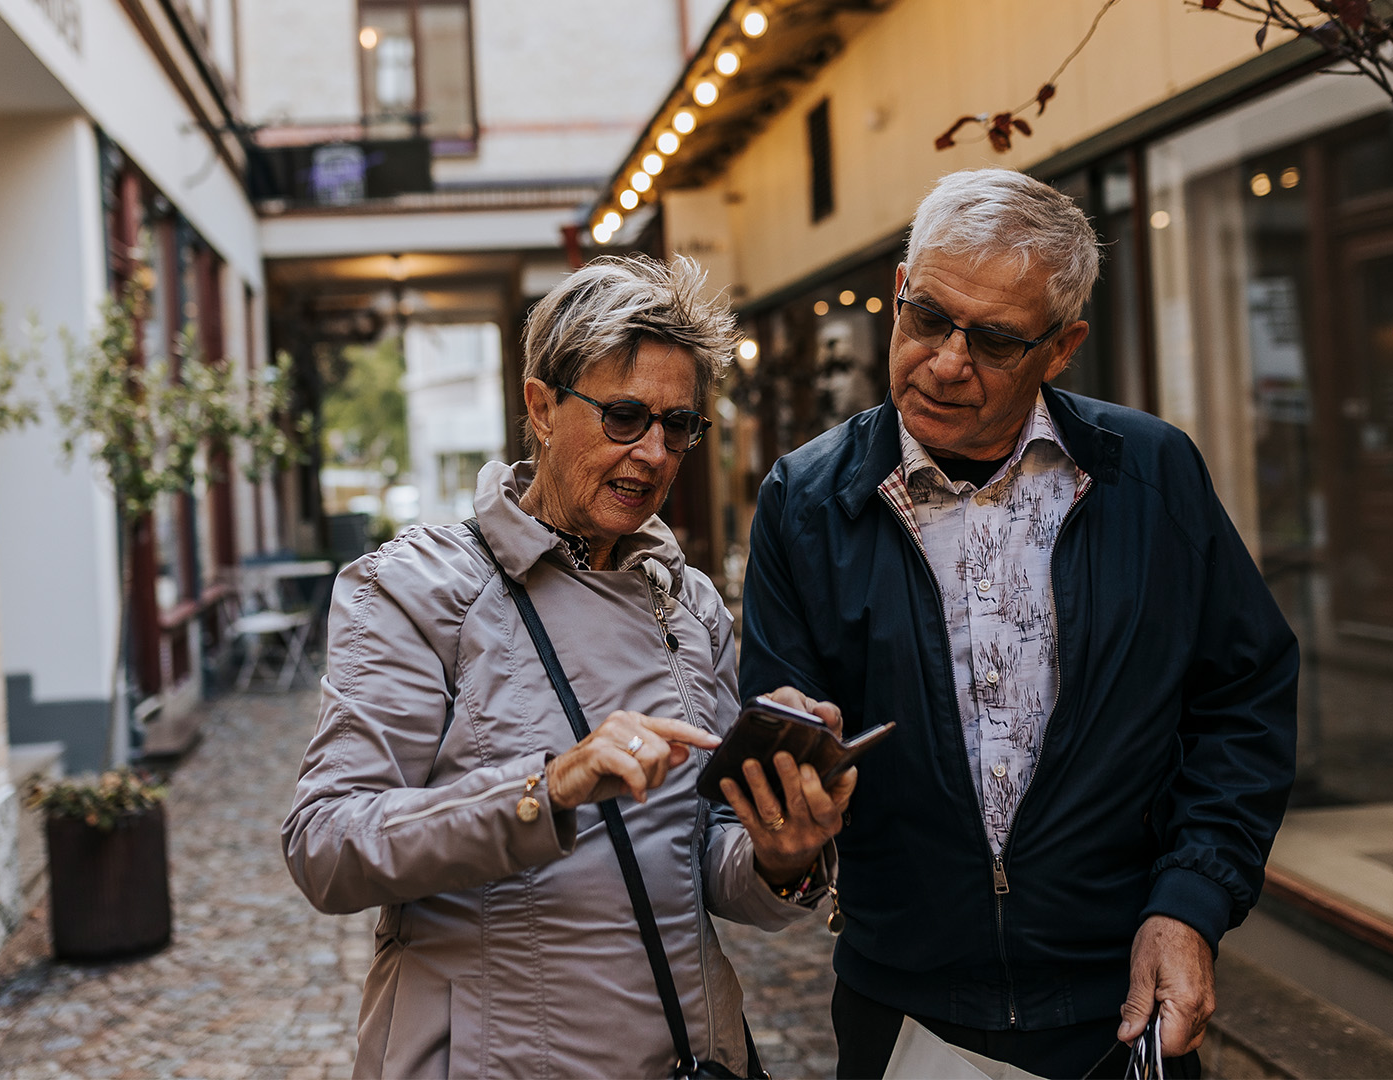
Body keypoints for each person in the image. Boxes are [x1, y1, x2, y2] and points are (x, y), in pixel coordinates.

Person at [740, 169, 1298, 1079]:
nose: (946, 361)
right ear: (898, 292)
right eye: (926, 318)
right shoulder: (804, 503)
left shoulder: (1151, 476)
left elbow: (1244, 700)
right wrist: (791, 843)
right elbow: (781, 755)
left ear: (1063, 345)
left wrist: (1191, 902)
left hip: (1119, 1005)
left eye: (995, 340)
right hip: (901, 1007)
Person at [283, 254, 855, 1079]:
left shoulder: (687, 601)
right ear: (542, 407)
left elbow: (705, 864)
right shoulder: (414, 589)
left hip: (686, 1051)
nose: (654, 452)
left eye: (678, 426)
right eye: (624, 416)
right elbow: (326, 845)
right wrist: (546, 788)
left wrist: (781, 851)